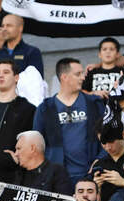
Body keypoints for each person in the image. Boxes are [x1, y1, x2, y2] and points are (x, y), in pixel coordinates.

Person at [34, 58, 105, 188]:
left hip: (89, 176)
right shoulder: (45, 108)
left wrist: (99, 161)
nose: (83, 78)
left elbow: (107, 136)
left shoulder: (94, 103)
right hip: (56, 178)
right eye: (78, 74)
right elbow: (37, 143)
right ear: (64, 77)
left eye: (83, 73)